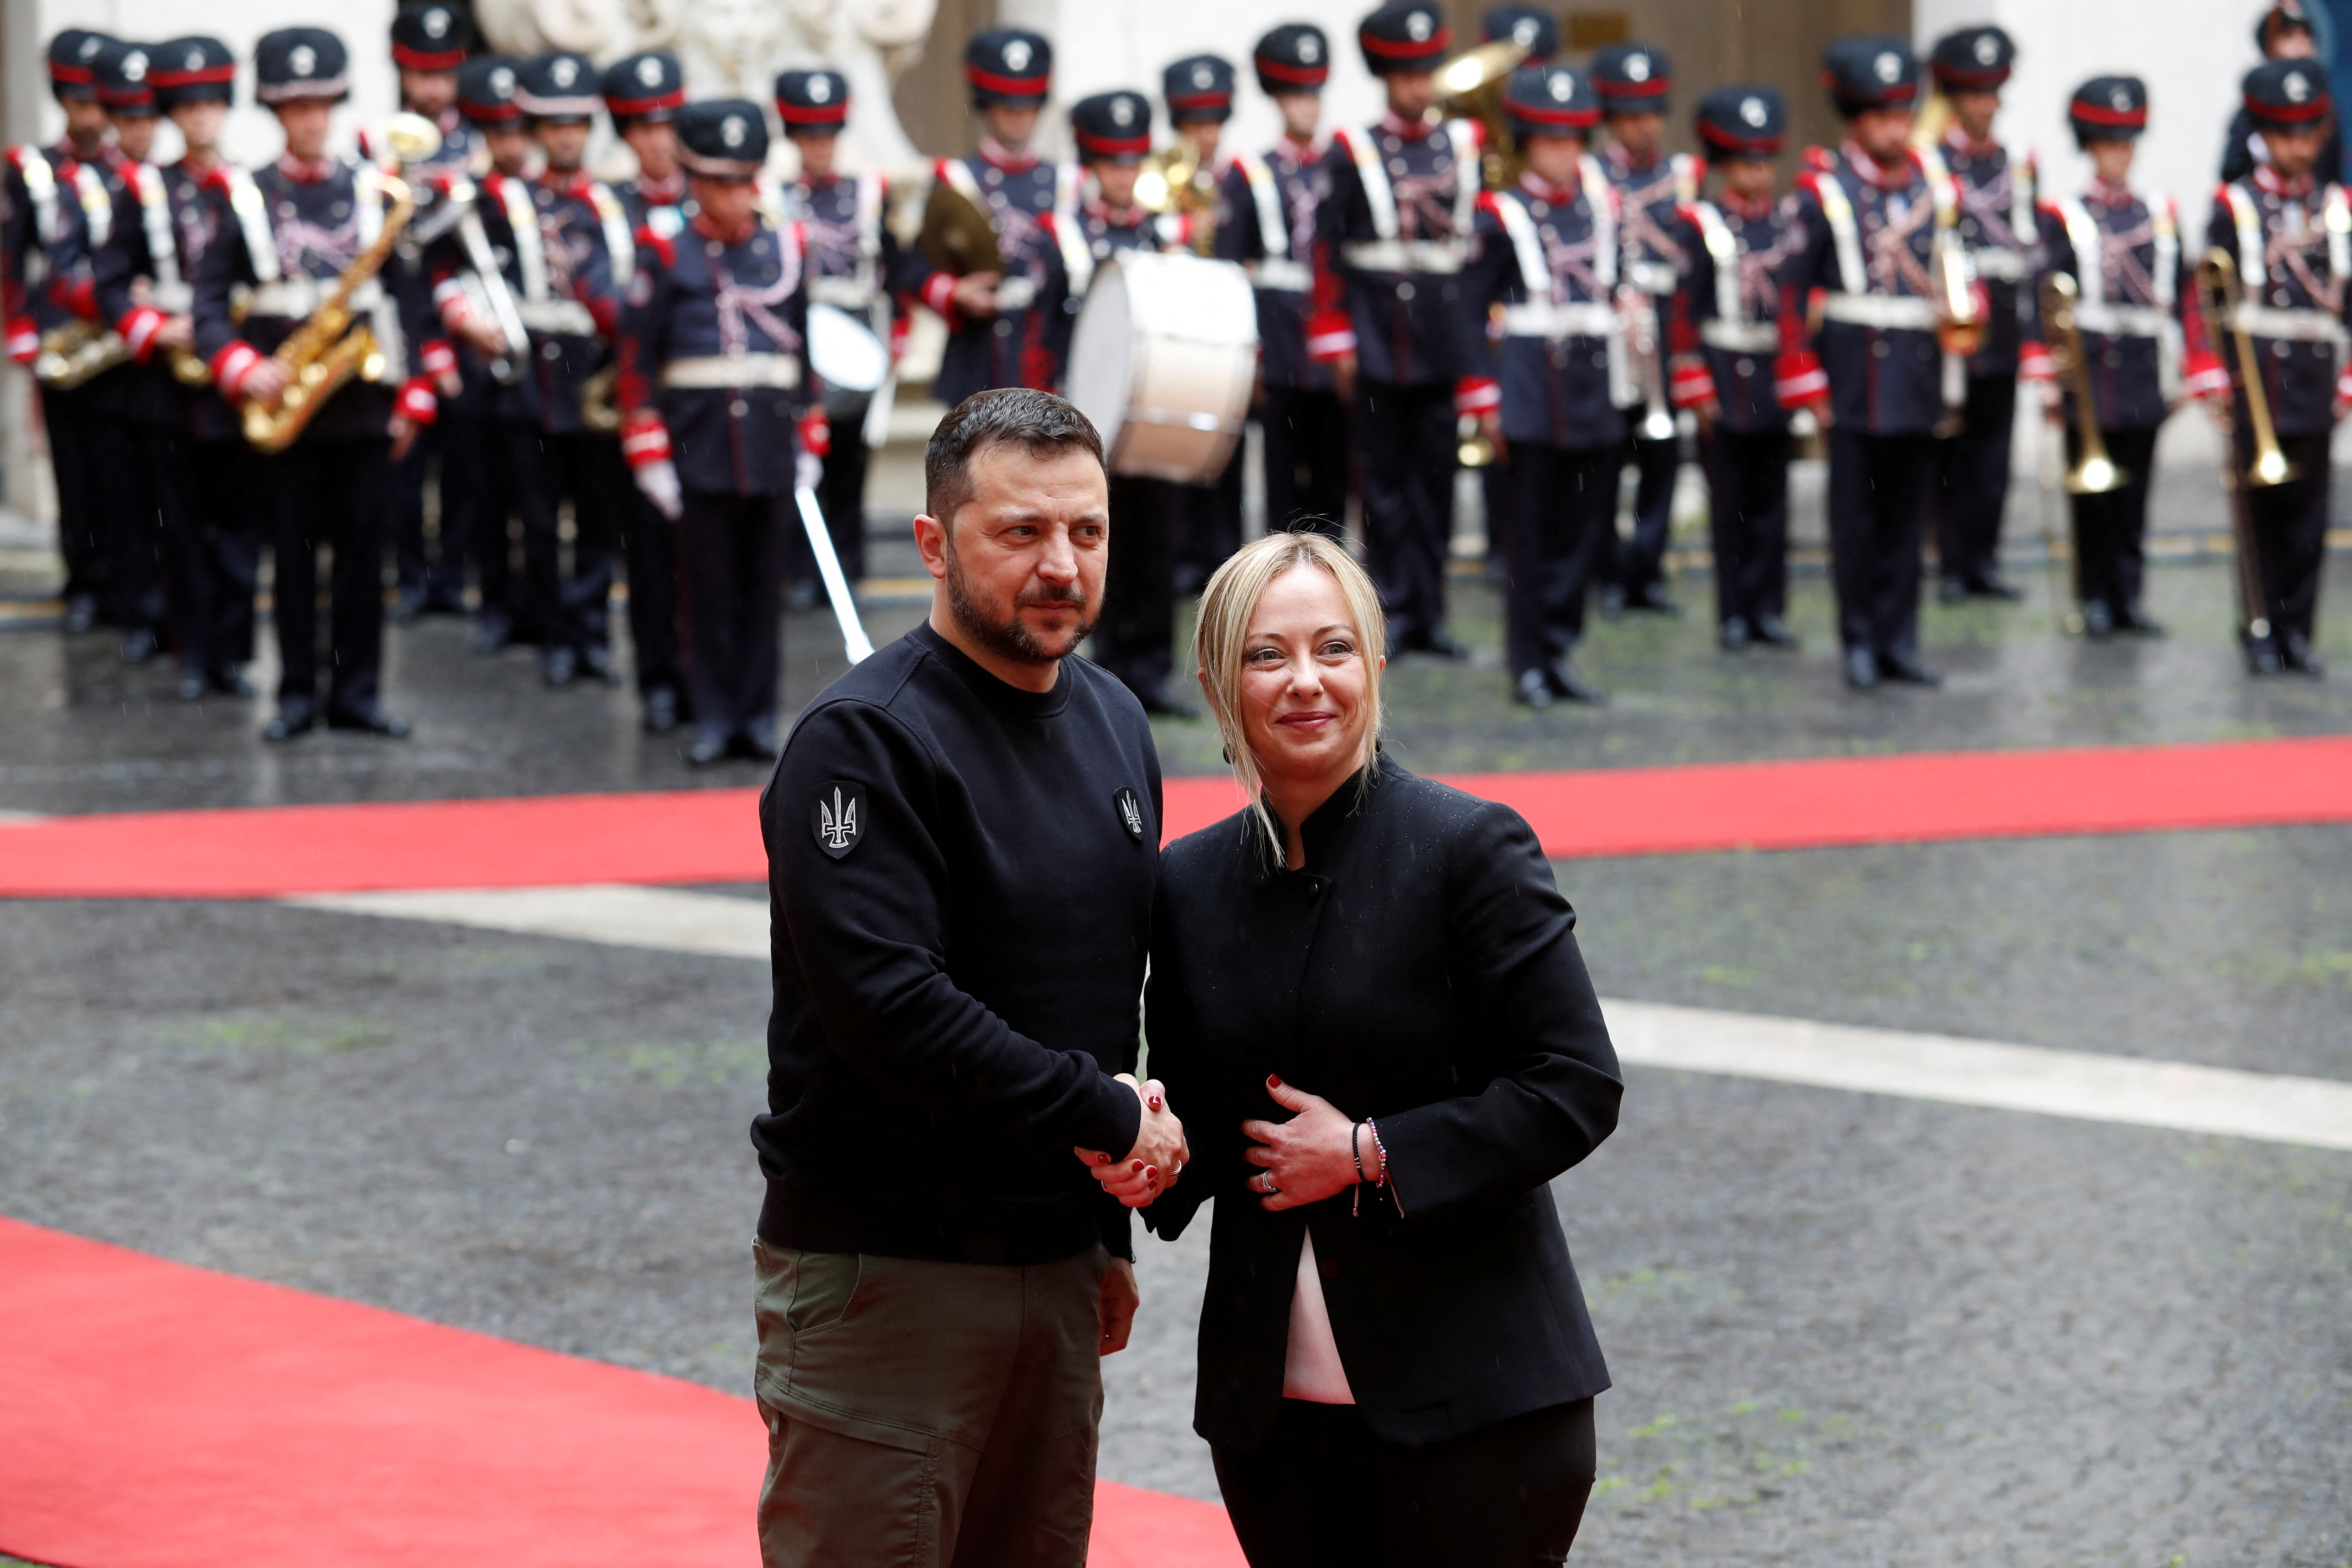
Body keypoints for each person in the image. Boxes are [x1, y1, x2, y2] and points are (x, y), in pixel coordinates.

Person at [752, 387, 1188, 1568]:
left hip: (1051, 1268)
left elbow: (1098, 992)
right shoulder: (864, 743)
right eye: (1022, 533)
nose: (1061, 565)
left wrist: (1103, 1232)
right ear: (936, 545)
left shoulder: (1112, 718)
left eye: (1087, 534)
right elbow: (890, 1011)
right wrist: (1108, 1119)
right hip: (890, 1275)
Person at [1136, 528, 1622, 1568]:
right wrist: (1149, 1150)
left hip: (1483, 1401)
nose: (1304, 681)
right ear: (1218, 683)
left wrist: (1369, 1152)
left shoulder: (1469, 846)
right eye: (1266, 656)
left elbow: (1574, 1085)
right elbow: (1207, 1130)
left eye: (1332, 649)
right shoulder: (1184, 882)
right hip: (1270, 1416)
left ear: (1374, 666)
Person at [192, 26, 435, 741]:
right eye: (295, 105)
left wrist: (413, 392)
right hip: (285, 404)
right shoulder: (244, 196)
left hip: (360, 405)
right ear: (274, 110)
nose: (309, 117)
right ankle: (296, 694)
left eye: (321, 103)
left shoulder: (373, 192)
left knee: (365, 560)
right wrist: (241, 364)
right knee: (293, 560)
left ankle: (358, 694)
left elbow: (409, 304)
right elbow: (209, 304)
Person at [618, 100, 824, 764]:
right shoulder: (666, 255)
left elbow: (803, 360)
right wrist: (650, 454)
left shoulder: (784, 251)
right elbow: (636, 365)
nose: (737, 196)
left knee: (762, 593)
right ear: (695, 182)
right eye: (721, 182)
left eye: (745, 180)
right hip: (697, 449)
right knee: (704, 594)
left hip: (767, 448)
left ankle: (758, 717)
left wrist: (810, 441)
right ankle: (712, 717)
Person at [1310, 1, 1481, 658]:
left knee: (1435, 484)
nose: (1419, 85)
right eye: (1406, 74)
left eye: (1426, 71)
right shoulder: (1355, 149)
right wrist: (1336, 339)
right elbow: (1327, 252)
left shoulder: (1462, 145)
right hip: (1378, 339)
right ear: (1386, 76)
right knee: (1381, 489)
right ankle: (1386, 617)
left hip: (1440, 340)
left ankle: (1432, 615)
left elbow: (1471, 256)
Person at [1780, 38, 1951, 691]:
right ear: (1855, 120)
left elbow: (1953, 264)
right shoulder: (1825, 190)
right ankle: (1858, 640)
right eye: (1880, 116)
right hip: (1853, 377)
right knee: (1855, 520)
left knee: (1909, 521)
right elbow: (1792, 292)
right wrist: (1804, 375)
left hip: (1918, 372)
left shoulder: (1933, 186)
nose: (1895, 128)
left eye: (1902, 113)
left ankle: (1899, 640)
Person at [1456, 62, 1622, 709]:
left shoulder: (1602, 207)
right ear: (1528, 142)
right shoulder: (1501, 214)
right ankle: (1526, 659)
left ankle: (1560, 649)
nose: (1566, 152)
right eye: (1553, 139)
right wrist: (1482, 395)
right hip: (1528, 392)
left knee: (1582, 531)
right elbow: (1471, 310)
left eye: (1575, 138)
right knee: (1530, 536)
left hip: (1595, 387)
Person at [2194, 57, 2345, 677]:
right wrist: (2208, 369)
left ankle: (2299, 633)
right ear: (2263, 133)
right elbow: (2204, 293)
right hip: (2255, 380)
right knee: (2259, 517)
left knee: (2310, 517)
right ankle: (2260, 627)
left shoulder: (2338, 207)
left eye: (2309, 131)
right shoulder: (2235, 205)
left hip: (2316, 377)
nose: (2299, 145)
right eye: (2286, 132)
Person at [2034, 77, 2188, 640]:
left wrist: (2187, 369)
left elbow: (2183, 292)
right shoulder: (2066, 216)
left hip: (2144, 364)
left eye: (2126, 143)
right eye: (2108, 143)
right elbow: (2047, 297)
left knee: (2136, 493)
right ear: (2090, 147)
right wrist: (2051, 378)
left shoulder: (2159, 213)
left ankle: (2129, 596)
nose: (2118, 153)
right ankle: (2093, 595)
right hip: (2091, 369)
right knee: (2090, 495)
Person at [506, 51, 634, 690]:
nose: (565, 134)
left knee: (597, 519)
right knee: (536, 519)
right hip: (532, 382)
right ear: (533, 128)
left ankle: (589, 637)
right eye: (553, 123)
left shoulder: (614, 204)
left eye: (577, 123)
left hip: (595, 383)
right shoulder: (507, 202)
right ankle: (553, 636)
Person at [1066, 88, 1194, 717]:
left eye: (1131, 162)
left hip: (1155, 410)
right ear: (1091, 165)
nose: (1123, 175)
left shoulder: (1164, 233)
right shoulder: (1065, 235)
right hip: (1087, 422)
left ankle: (1154, 670)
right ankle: (1108, 673)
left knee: (1157, 543)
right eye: (1112, 163)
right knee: (1100, 548)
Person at [1669, 84, 1810, 653]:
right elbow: (1684, 312)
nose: (1759, 174)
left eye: (1765, 161)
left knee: (1773, 503)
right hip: (1725, 373)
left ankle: (1768, 609)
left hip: (1773, 372)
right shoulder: (1702, 224)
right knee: (1730, 505)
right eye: (1746, 162)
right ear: (1725, 165)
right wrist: (1696, 383)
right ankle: (1734, 611)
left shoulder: (1786, 223)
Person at [144, 37, 260, 699]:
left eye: (212, 105)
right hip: (168, 384)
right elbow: (110, 282)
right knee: (180, 524)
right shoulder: (150, 190)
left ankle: (235, 653)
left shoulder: (250, 188)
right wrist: (157, 327)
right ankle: (193, 652)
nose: (202, 119)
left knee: (240, 525)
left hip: (233, 379)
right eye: (188, 108)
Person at [778, 66, 914, 602]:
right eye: (809, 137)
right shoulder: (775, 196)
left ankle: (848, 565)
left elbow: (899, 271)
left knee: (851, 461)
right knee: (802, 458)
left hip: (858, 338)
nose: (819, 148)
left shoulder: (871, 194)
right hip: (800, 338)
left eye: (827, 136)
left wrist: (898, 336)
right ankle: (802, 569)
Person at [1923, 25, 2048, 604]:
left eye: (1993, 93)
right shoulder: (1931, 164)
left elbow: (2032, 252)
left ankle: (1984, 560)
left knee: (1994, 449)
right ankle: (1949, 561)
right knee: (1950, 445)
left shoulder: (2017, 164)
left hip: (2003, 317)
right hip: (1953, 317)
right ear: (1953, 96)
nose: (1985, 105)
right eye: (1974, 93)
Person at [1217, 24, 1348, 540]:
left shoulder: (1344, 164)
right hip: (1278, 341)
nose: (1307, 107)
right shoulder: (1251, 172)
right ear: (1277, 99)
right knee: (1282, 475)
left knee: (1334, 475)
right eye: (1296, 94)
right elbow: (1232, 271)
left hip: (1329, 340)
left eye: (1313, 94)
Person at [914, 31, 1084, 406]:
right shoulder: (956, 178)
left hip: (1048, 356)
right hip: (979, 358)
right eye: (1009, 108)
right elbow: (914, 269)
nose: (1020, 118)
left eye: (1028, 107)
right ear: (987, 107)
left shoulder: (1068, 183)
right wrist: (956, 293)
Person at [13, 30, 117, 635]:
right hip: (63, 344)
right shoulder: (35, 172)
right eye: (80, 102)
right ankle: (82, 579)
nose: (92, 116)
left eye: (99, 102)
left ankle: (125, 579)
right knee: (72, 472)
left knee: (121, 470)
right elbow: (12, 259)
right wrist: (22, 332)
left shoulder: (130, 173)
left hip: (120, 343)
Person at [600, 49, 691, 732]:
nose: (658, 140)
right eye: (642, 128)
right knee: (651, 554)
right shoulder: (611, 210)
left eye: (667, 124)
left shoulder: (715, 199)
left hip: (712, 406)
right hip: (644, 399)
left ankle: (712, 681)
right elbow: (606, 300)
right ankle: (659, 679)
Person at [382, 2, 481, 624]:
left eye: (444, 73)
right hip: (403, 322)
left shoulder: (478, 142)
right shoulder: (377, 141)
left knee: (466, 461)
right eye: (422, 74)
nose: (433, 88)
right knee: (404, 465)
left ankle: (453, 576)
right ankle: (411, 576)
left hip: (467, 325)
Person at [1590, 41, 1695, 618]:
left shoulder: (1682, 177)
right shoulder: (1593, 178)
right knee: (1606, 457)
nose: (1645, 125)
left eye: (1652, 113)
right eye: (1632, 115)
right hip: (1610, 333)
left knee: (1661, 456)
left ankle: (1648, 570)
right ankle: (1607, 570)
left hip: (1666, 326)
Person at [84, 40, 170, 668]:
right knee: (121, 497)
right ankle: (136, 608)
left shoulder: (172, 182)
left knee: (171, 498)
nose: (141, 129)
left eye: (149, 117)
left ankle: (177, 615)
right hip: (107, 361)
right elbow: (72, 270)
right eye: (129, 118)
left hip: (167, 363)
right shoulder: (89, 183)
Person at [1161, 53, 1246, 589]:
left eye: (1213, 124)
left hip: (1228, 335)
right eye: (1194, 125)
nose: (1205, 135)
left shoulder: (1241, 180)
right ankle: (1182, 558)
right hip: (1178, 339)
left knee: (1227, 454)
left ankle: (1223, 557)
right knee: (1179, 450)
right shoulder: (1162, 179)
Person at [2221, 1, 2343, 187]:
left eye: (2306, 37)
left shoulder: (2323, 106)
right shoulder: (2256, 106)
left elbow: (2332, 172)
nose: (2300, 46)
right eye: (2289, 37)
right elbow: (2233, 171)